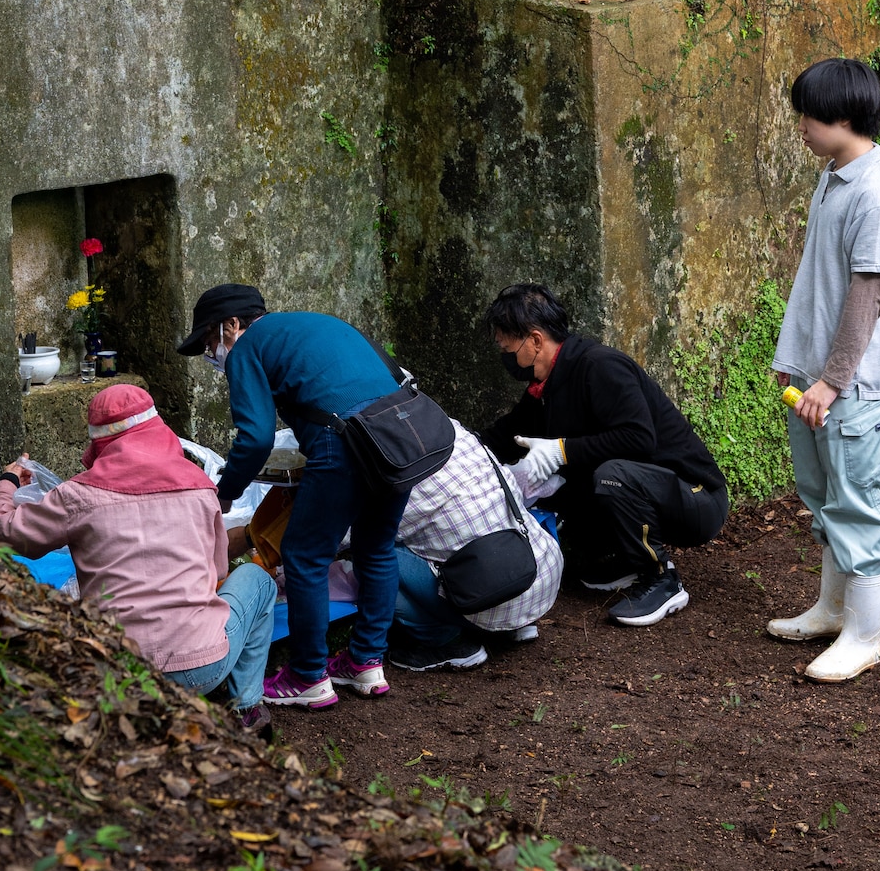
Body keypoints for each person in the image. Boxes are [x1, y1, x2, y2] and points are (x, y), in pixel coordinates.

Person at [0, 383, 276, 729]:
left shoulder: (78, 495)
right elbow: (217, 571)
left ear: (99, 443)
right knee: (258, 580)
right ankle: (246, 710)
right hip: (200, 669)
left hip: (114, 670)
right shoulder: (200, 487)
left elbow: (5, 533)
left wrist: (7, 482)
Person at [178, 283, 408, 710]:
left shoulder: (247, 348)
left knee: (304, 556)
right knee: (376, 547)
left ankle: (306, 676)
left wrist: (223, 496)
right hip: (397, 439)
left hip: (344, 444)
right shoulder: (315, 324)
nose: (212, 354)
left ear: (231, 325)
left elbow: (255, 439)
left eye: (211, 342)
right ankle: (365, 662)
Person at [769, 57, 880, 683]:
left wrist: (831, 380)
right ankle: (831, 610)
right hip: (815, 377)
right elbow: (820, 286)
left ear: (845, 118)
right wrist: (796, 364)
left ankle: (864, 635)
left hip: (849, 388)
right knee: (824, 498)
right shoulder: (835, 174)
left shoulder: (875, 193)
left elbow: (867, 298)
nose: (801, 126)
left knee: (856, 505)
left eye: (810, 116)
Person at [480, 283, 729, 626]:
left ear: (535, 340)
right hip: (654, 491)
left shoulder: (599, 366)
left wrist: (561, 450)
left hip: (697, 498)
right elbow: (508, 432)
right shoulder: (548, 386)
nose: (506, 356)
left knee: (611, 474)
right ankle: (627, 559)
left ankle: (662, 578)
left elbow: (639, 439)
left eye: (508, 347)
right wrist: (461, 448)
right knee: (563, 483)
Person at [389, 421, 563, 671]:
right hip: (542, 575)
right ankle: (517, 626)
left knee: (373, 557)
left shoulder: (397, 476)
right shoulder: (455, 430)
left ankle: (447, 643)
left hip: (490, 598)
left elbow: (341, 538)